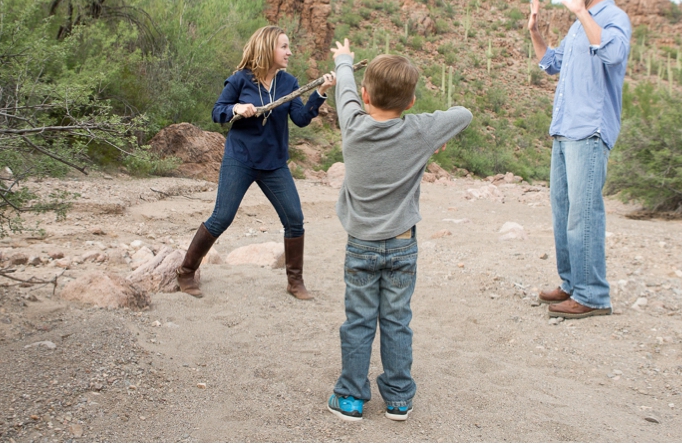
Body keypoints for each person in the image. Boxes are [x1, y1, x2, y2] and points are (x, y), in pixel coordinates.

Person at [323, 40, 472, 422]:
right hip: (403, 247)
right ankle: (399, 398)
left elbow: (344, 86)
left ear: (365, 94)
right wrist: (430, 138)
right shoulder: (419, 131)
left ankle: (352, 398)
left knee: (358, 320)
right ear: (411, 102)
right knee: (396, 320)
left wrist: (344, 60)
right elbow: (464, 114)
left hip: (360, 245)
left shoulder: (353, 126)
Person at [177, 25, 332, 300]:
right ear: (267, 48)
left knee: (294, 219)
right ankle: (186, 272)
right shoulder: (240, 80)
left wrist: (319, 94)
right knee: (222, 217)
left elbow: (300, 119)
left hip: (274, 163)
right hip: (241, 158)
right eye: (284, 46)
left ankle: (295, 282)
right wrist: (236, 108)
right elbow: (217, 112)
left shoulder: (289, 82)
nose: (289, 51)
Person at [525, 0, 631, 319]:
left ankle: (593, 296)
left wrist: (581, 12)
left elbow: (614, 53)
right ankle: (572, 284)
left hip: (589, 130)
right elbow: (552, 64)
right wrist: (535, 32)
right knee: (563, 212)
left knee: (583, 214)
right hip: (564, 130)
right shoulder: (576, 28)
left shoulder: (613, 19)